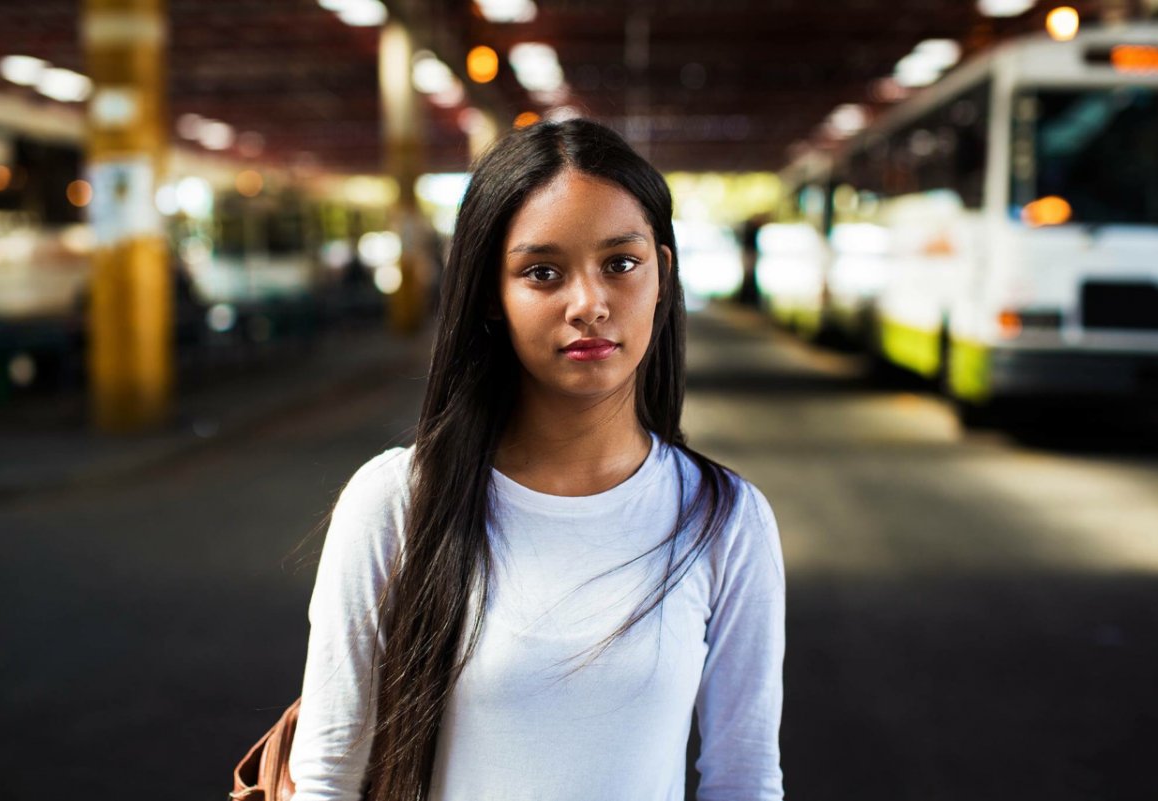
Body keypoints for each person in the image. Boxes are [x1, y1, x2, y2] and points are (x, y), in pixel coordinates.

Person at [289, 119, 786, 801]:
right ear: (494, 293)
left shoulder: (724, 518)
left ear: (663, 275)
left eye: (620, 263)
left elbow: (745, 779)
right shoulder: (397, 502)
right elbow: (325, 780)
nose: (589, 304)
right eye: (542, 272)